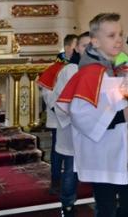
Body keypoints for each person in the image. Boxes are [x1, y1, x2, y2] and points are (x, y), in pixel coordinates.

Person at [56, 14, 128, 217]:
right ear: (95, 41)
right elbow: (80, 114)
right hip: (101, 154)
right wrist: (120, 117)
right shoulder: (88, 74)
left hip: (127, 151)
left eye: (120, 34)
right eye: (111, 35)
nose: (118, 40)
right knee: (106, 209)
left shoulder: (127, 71)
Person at [51, 32, 89, 217]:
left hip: (91, 127)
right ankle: (67, 206)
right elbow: (61, 99)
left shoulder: (97, 68)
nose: (88, 49)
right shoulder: (71, 69)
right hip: (72, 127)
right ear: (77, 49)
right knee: (71, 169)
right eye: (84, 46)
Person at [37, 34, 77, 195]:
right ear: (67, 48)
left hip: (74, 118)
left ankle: (73, 181)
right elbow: (46, 92)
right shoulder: (56, 68)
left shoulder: (79, 66)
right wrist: (58, 109)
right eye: (75, 47)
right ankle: (55, 181)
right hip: (58, 118)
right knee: (58, 151)